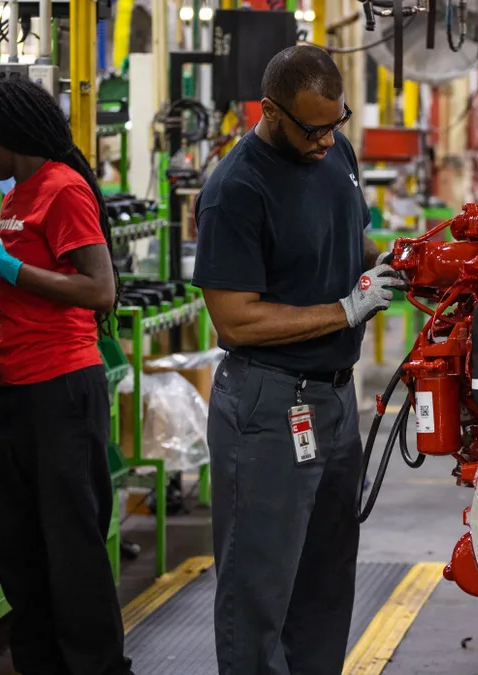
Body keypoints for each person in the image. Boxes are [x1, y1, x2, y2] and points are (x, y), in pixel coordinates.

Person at [191, 45, 404, 675]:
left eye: (334, 123)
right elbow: (235, 317)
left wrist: (396, 265)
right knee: (259, 589)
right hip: (270, 402)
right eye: (312, 128)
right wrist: (345, 310)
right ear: (270, 111)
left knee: (326, 580)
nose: (325, 140)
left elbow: (349, 236)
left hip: (337, 401)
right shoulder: (236, 190)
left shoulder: (336, 151)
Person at [0, 78, 131, 675]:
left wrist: (11, 268)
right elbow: (23, 290)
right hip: (15, 390)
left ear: (8, 138)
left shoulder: (64, 189)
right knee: (23, 551)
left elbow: (100, 291)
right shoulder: (18, 196)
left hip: (63, 391)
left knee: (72, 552)